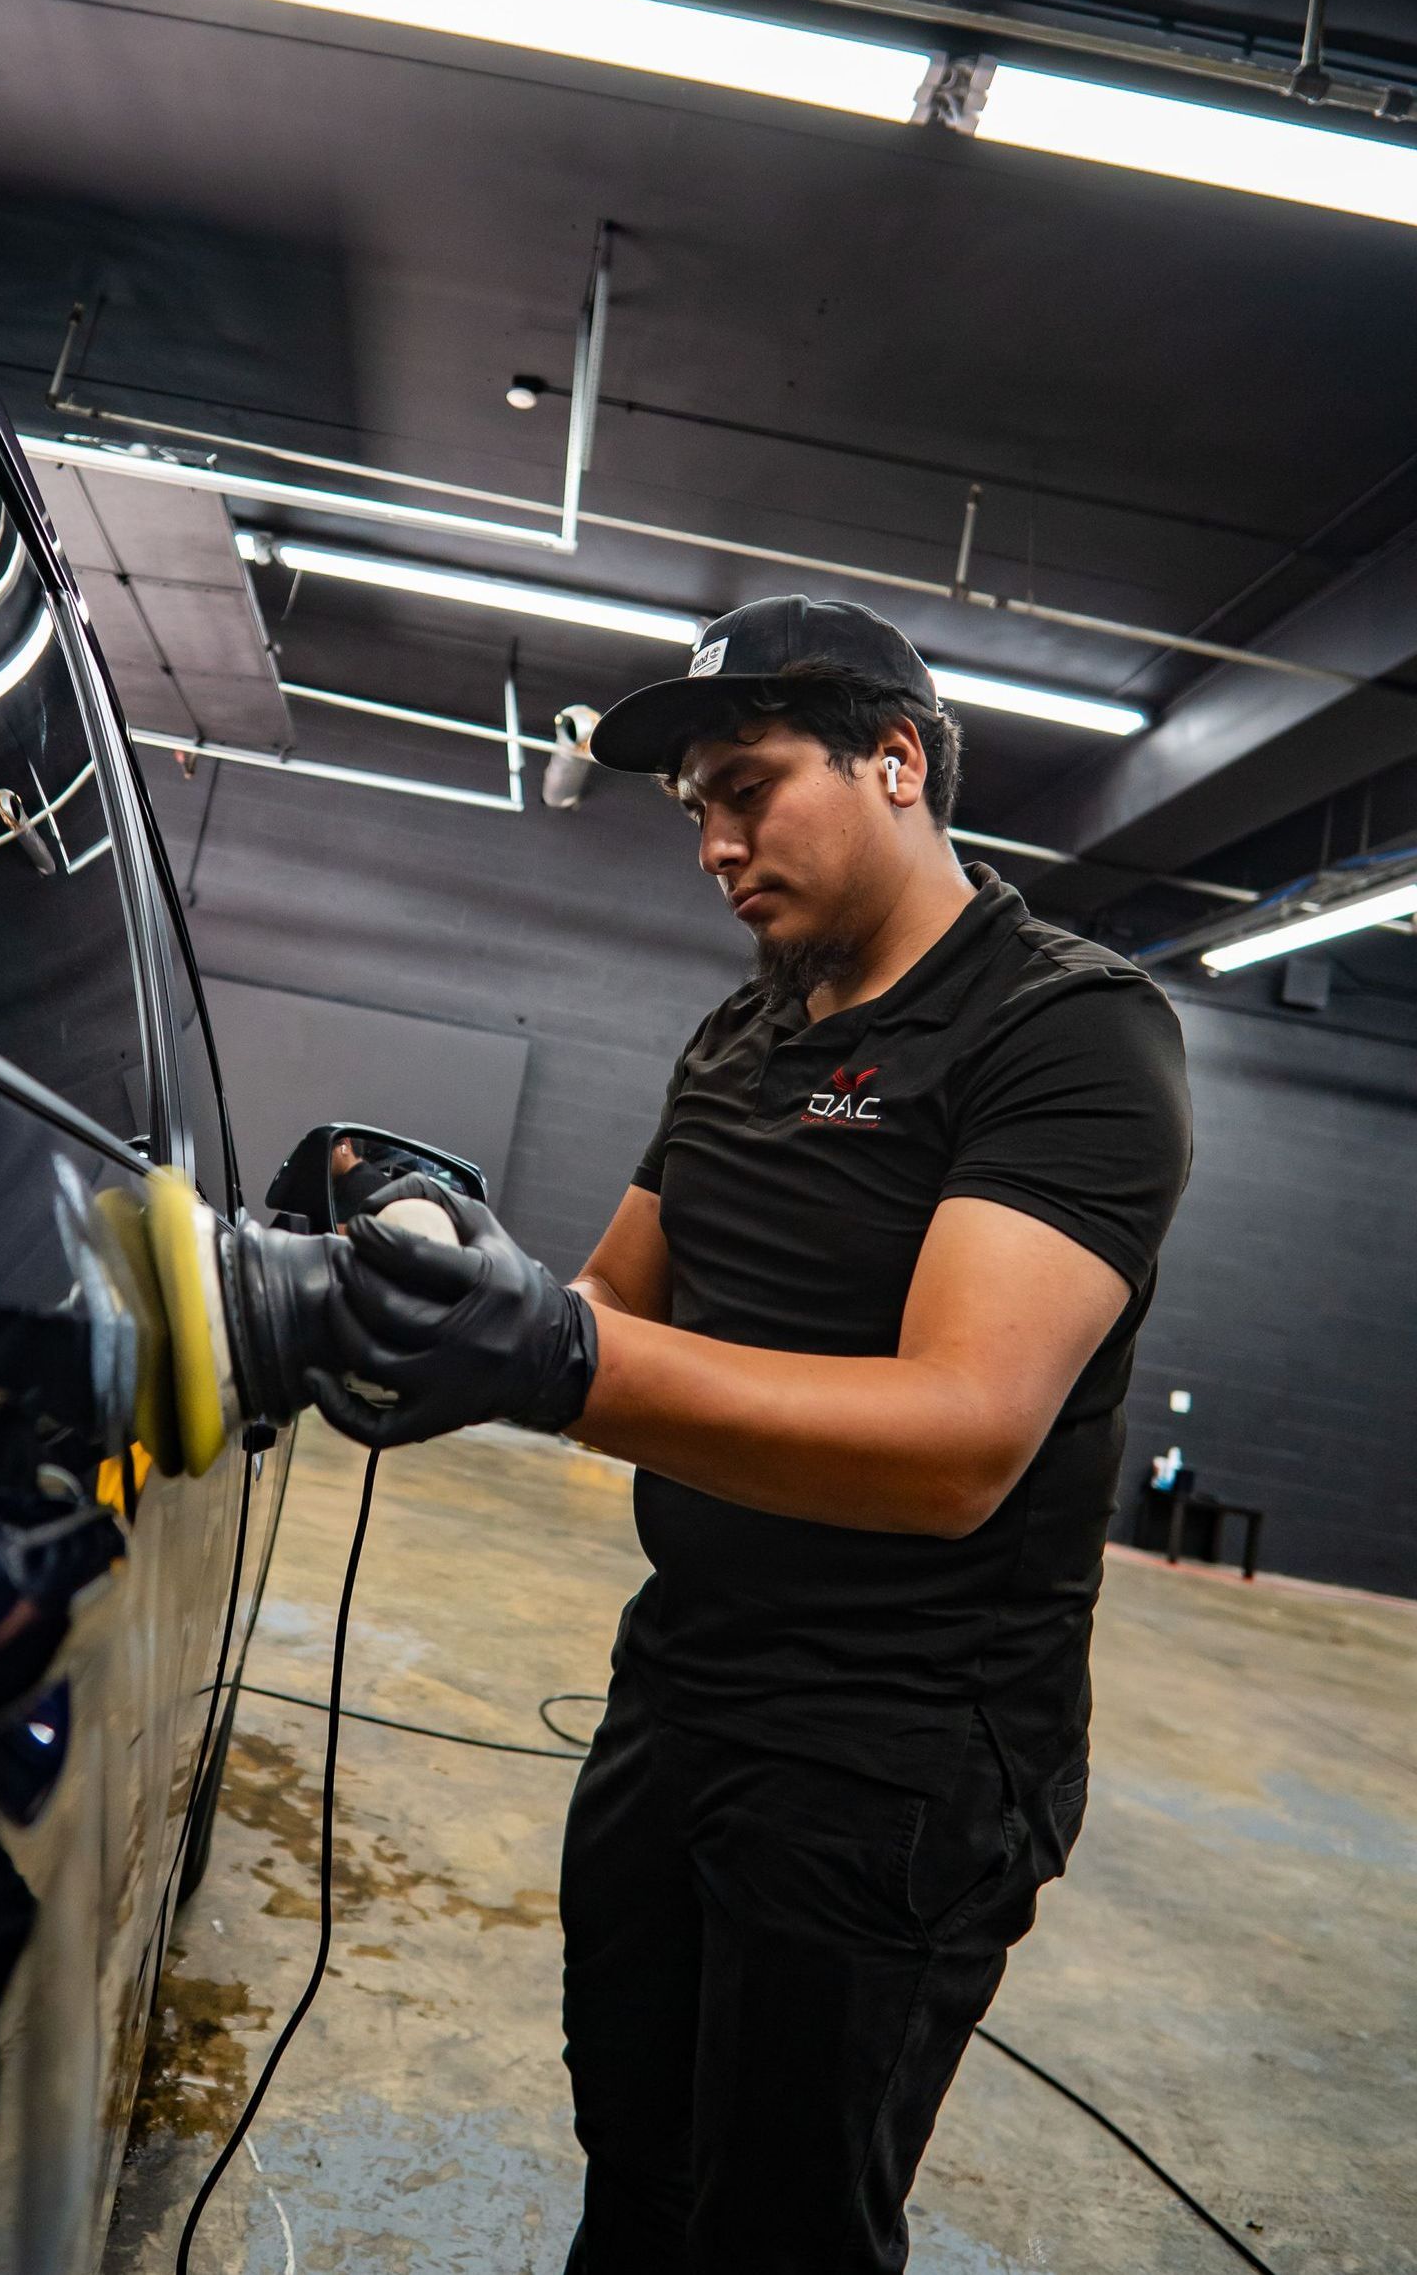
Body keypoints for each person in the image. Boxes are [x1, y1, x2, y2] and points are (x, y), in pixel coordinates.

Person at [306, 594, 1192, 2275]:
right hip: (685, 1684)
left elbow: (958, 1443)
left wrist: (554, 1356)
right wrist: (423, 1272)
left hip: (898, 1746)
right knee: (632, 2170)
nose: (713, 843)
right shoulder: (741, 1032)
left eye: (749, 788)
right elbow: (606, 1308)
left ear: (898, 763)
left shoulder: (1065, 1030)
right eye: (692, 808)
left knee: (781, 2232)